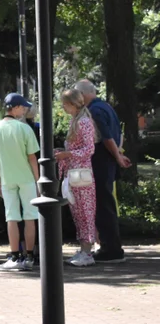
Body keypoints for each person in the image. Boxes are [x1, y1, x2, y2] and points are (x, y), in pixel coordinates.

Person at [74, 79, 131, 263]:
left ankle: (111, 249)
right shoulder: (106, 107)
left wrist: (117, 156)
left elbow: (106, 138)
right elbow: (119, 134)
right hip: (108, 163)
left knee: (103, 206)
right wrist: (119, 155)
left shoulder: (94, 111)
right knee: (107, 204)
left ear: (83, 95)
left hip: (100, 162)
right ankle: (111, 246)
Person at [0, 93, 40, 272]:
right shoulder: (24, 129)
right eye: (23, 107)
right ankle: (30, 255)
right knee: (30, 217)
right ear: (16, 107)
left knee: (11, 217)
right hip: (26, 178)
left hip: (7, 179)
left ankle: (15, 255)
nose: (25, 110)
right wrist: (38, 180)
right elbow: (32, 157)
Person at [56, 88, 98, 267]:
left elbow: (89, 149)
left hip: (81, 174)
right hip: (75, 173)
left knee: (85, 212)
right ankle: (84, 249)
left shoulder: (83, 122)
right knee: (78, 212)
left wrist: (68, 155)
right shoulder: (76, 120)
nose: (63, 108)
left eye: (65, 104)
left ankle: (87, 251)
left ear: (72, 104)